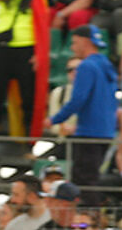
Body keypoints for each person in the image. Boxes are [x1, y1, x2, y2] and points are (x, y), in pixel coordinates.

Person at [47, 24, 117, 199]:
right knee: (91, 178)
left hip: (88, 132)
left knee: (83, 182)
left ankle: (87, 219)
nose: (72, 47)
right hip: (106, 131)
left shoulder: (86, 66)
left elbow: (78, 99)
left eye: (74, 42)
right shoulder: (105, 64)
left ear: (85, 42)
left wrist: (54, 119)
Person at [0, 0, 50, 137]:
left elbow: (42, 23)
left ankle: (28, 134)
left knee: (28, 97)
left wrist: (38, 54)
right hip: (3, 47)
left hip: (26, 48)